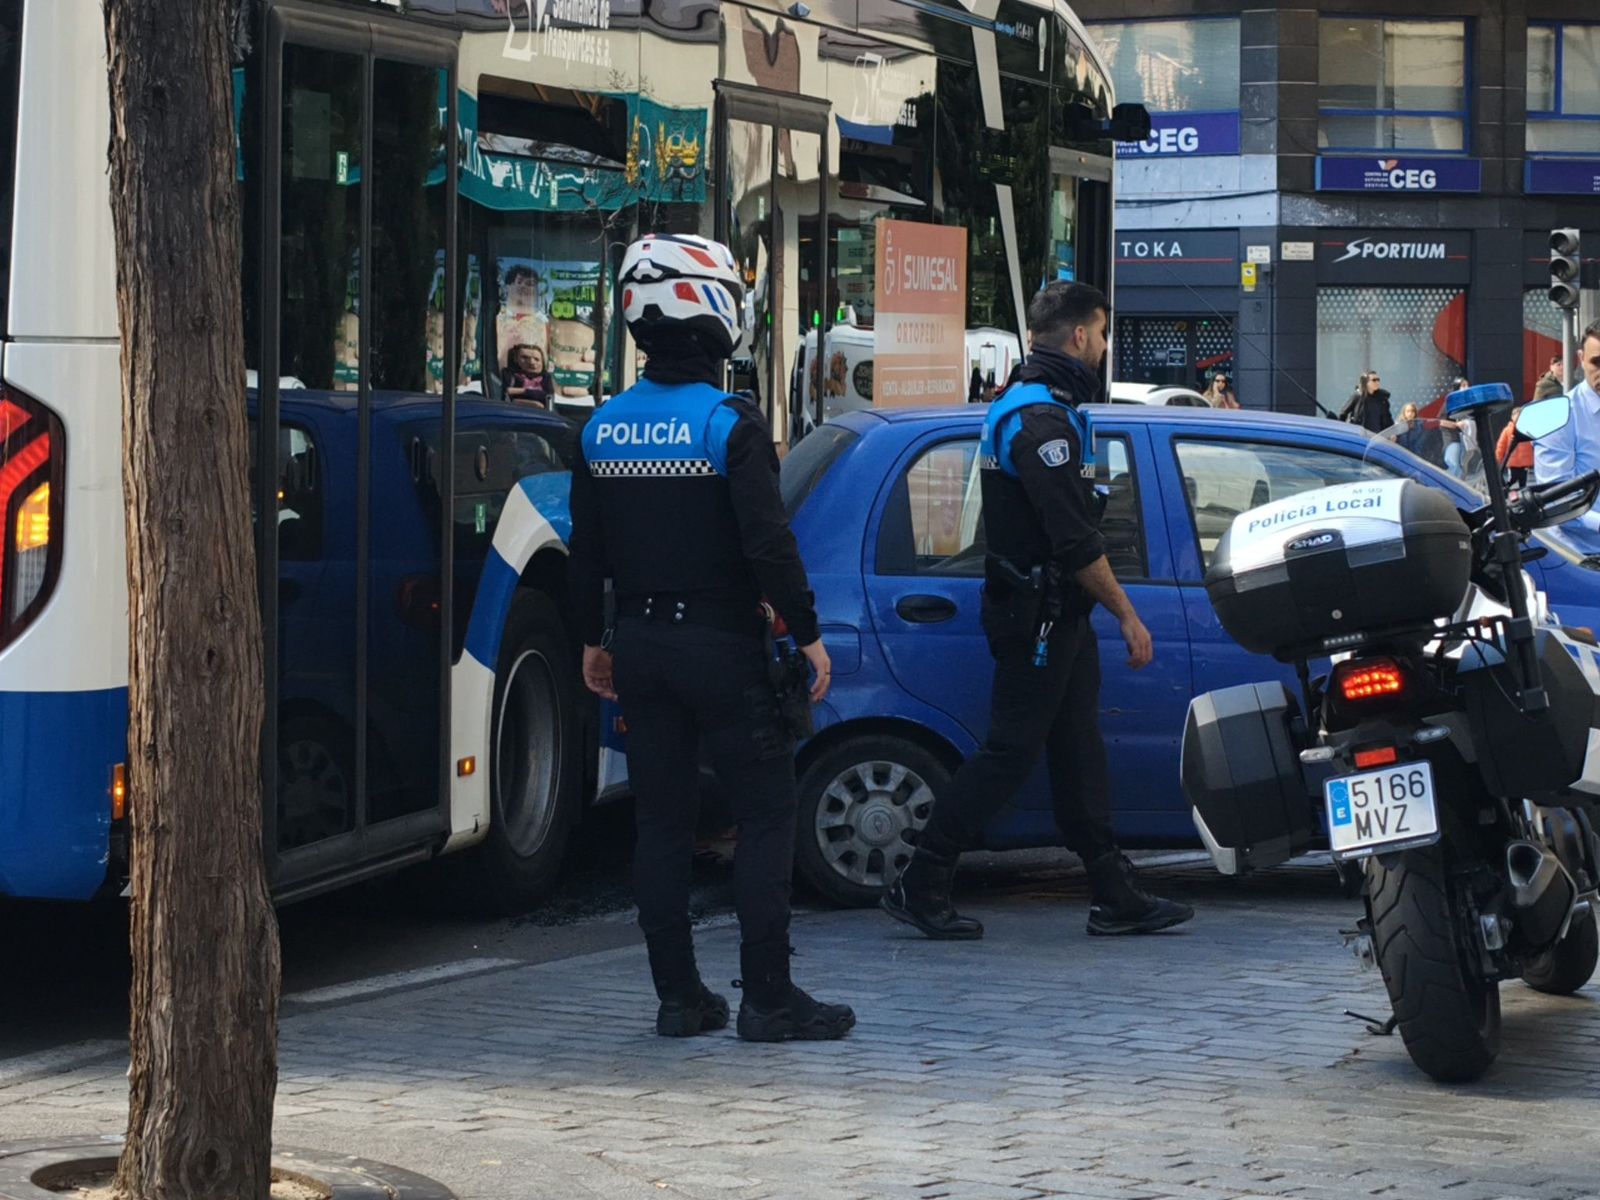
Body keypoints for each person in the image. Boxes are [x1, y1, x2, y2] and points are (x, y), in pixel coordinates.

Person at [567, 233, 855, 1043]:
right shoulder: (728, 422)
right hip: (723, 649)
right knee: (766, 814)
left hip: (641, 649)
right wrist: (806, 634)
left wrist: (594, 641)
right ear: (715, 310)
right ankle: (768, 997)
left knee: (660, 820)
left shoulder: (600, 430)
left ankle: (679, 998)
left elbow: (585, 554)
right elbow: (768, 545)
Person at [880, 282, 1194, 940]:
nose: (1105, 348)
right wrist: (1130, 617)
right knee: (1009, 754)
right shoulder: (1038, 419)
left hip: (1059, 615)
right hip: (1039, 618)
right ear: (1079, 336)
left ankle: (1112, 891)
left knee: (1080, 753)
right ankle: (923, 877)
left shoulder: (1048, 407)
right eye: (1103, 334)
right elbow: (1072, 537)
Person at [1533, 321, 1600, 555]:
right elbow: (1557, 504)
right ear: (1581, 358)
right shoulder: (1559, 416)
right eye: (1597, 362)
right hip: (1582, 558)